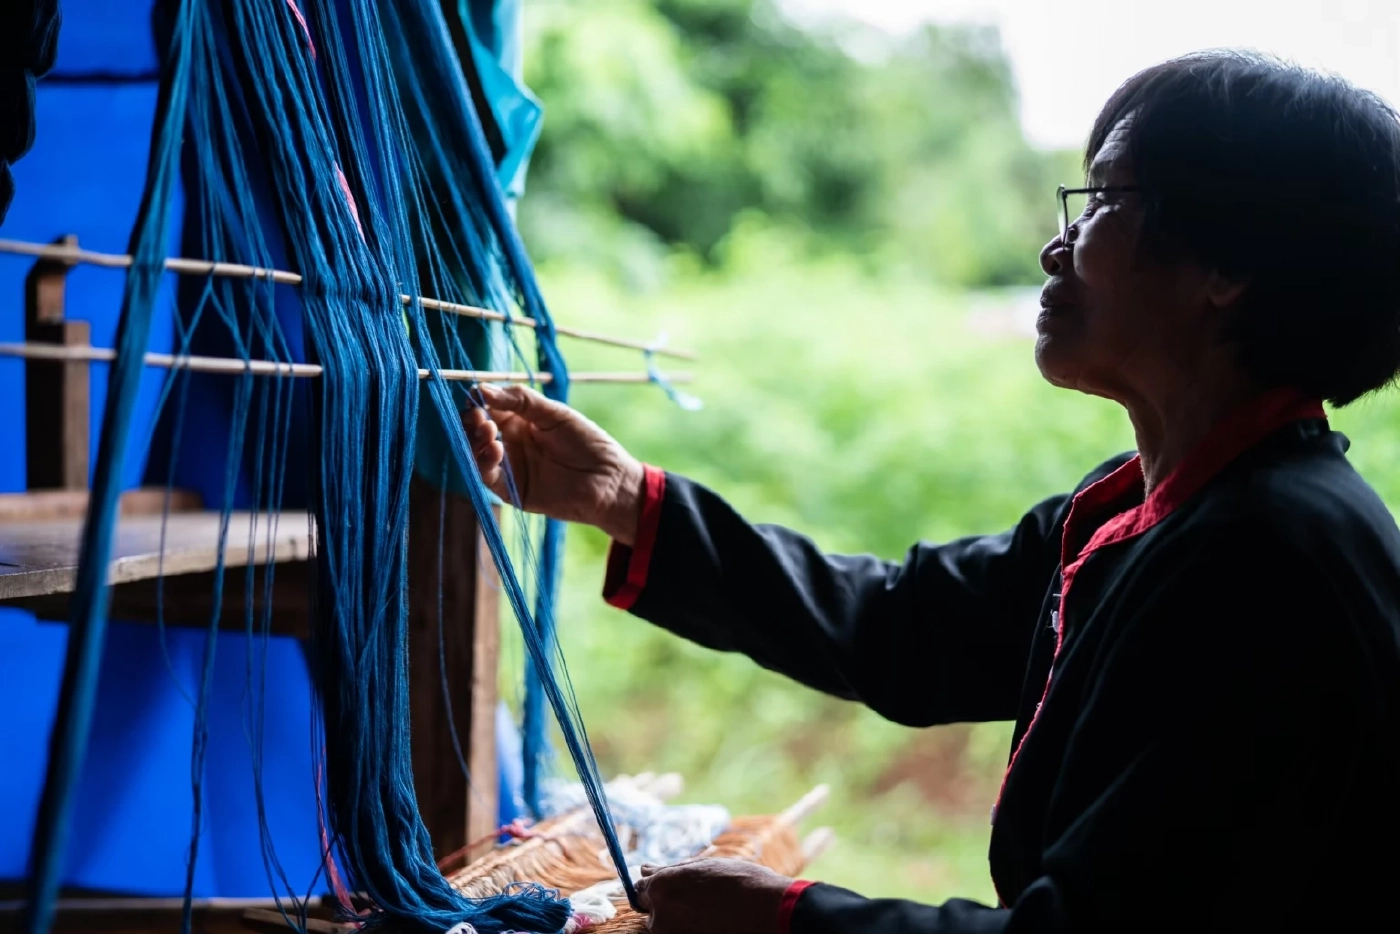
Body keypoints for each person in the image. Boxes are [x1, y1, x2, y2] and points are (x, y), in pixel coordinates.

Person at [466, 50, 1400, 933]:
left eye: (1102, 202)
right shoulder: (1147, 514)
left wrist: (790, 919)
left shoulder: (1271, 562)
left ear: (1227, 270)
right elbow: (901, 625)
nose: (1052, 248)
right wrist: (623, 497)